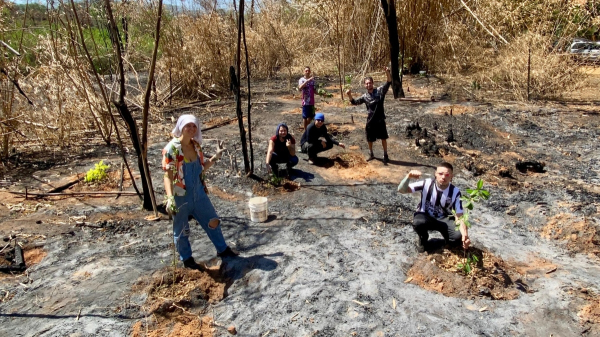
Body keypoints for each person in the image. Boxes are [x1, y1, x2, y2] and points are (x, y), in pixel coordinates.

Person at [162, 114, 238, 271]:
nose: (191, 129)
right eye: (187, 126)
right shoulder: (172, 149)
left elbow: (201, 168)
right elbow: (167, 176)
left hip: (199, 193)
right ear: (180, 127)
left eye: (194, 126)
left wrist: (215, 157)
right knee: (181, 230)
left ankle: (223, 249)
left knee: (213, 220)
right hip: (181, 196)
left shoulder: (196, 146)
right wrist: (170, 198)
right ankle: (187, 259)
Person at [397, 162, 471, 252]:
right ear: (435, 174)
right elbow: (401, 190)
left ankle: (443, 242)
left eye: (447, 174)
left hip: (444, 219)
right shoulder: (426, 183)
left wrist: (465, 235)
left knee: (457, 237)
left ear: (451, 176)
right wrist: (408, 177)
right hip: (425, 215)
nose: (443, 177)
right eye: (440, 174)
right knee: (418, 222)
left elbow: (459, 215)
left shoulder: (455, 192)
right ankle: (423, 239)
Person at [346, 67, 392, 164]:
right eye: (366, 83)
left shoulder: (379, 91)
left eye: (369, 83)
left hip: (380, 120)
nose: (368, 85)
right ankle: (371, 153)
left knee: (383, 138)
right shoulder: (364, 96)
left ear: (372, 83)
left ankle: (385, 155)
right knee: (369, 138)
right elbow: (354, 102)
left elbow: (388, 82)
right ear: (364, 85)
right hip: (370, 121)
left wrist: (387, 72)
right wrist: (349, 95)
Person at [298, 66, 316, 131]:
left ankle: (307, 129)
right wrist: (307, 81)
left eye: (308, 71)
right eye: (306, 71)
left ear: (310, 72)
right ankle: (306, 131)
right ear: (304, 72)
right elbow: (300, 88)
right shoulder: (301, 80)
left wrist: (322, 93)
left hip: (312, 101)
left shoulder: (313, 81)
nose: (307, 72)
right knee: (305, 117)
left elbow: (314, 90)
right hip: (305, 101)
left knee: (312, 115)